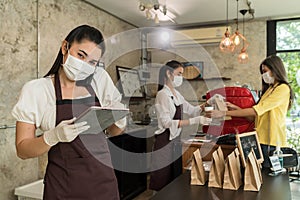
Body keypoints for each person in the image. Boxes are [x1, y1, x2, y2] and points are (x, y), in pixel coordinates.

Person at [12, 25, 126, 199]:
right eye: (81, 55)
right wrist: (52, 137)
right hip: (63, 188)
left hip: (103, 184)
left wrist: (119, 121)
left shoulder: (100, 79)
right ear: (65, 47)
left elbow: (113, 131)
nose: (84, 66)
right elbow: (22, 150)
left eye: (92, 63)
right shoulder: (37, 90)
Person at [206, 55, 294, 168]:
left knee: (268, 177)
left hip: (272, 142)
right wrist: (236, 108)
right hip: (260, 140)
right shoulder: (270, 89)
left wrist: (224, 113)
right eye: (262, 72)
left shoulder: (282, 89)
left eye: (265, 71)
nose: (263, 75)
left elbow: (255, 111)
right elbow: (253, 118)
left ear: (275, 69)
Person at [149, 60, 211, 191]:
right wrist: (196, 121)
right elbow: (167, 123)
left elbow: (192, 110)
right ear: (168, 73)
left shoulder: (177, 95)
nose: (181, 78)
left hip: (175, 142)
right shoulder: (162, 95)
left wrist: (207, 104)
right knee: (161, 178)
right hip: (164, 142)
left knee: (173, 179)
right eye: (179, 74)